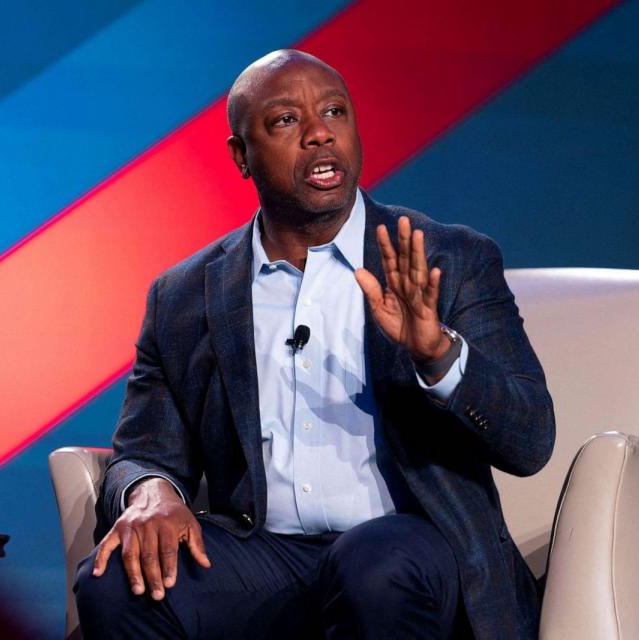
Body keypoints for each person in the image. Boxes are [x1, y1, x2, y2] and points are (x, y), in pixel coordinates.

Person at [74, 49, 554, 639]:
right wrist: (152, 491)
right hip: (265, 554)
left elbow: (530, 441)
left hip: (409, 545)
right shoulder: (186, 294)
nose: (319, 133)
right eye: (285, 121)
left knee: (375, 567)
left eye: (334, 112)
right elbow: (144, 450)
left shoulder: (447, 258)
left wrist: (439, 356)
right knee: (116, 586)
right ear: (239, 155)